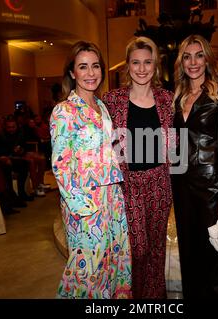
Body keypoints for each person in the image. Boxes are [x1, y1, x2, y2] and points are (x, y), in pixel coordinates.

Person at [50, 41, 132, 299]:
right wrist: (81, 208)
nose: (90, 73)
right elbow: (61, 165)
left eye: (95, 66)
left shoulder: (102, 106)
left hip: (113, 200)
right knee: (87, 271)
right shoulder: (64, 111)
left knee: (114, 263)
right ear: (72, 72)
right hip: (85, 203)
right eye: (82, 67)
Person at [103, 36, 173, 299]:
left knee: (156, 250)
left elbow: (175, 145)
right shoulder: (113, 100)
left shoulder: (167, 99)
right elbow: (104, 144)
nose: (142, 68)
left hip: (160, 184)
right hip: (128, 185)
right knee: (136, 249)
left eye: (147, 62)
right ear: (127, 65)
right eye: (136, 62)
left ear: (155, 66)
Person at [171, 34, 218, 299]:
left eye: (199, 55)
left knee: (215, 256)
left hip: (210, 188)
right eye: (187, 56)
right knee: (188, 251)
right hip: (181, 185)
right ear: (181, 62)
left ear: (207, 59)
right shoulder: (177, 97)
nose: (193, 62)